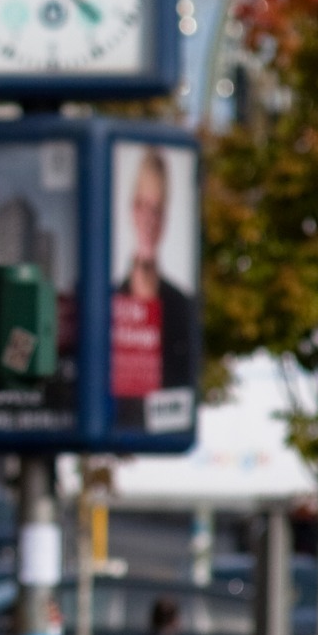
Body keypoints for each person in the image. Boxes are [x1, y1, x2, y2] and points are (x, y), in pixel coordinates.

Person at [112, 147, 196, 430]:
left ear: (166, 218)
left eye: (157, 210)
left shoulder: (183, 307)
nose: (149, 219)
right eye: (141, 206)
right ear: (131, 210)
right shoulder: (107, 301)